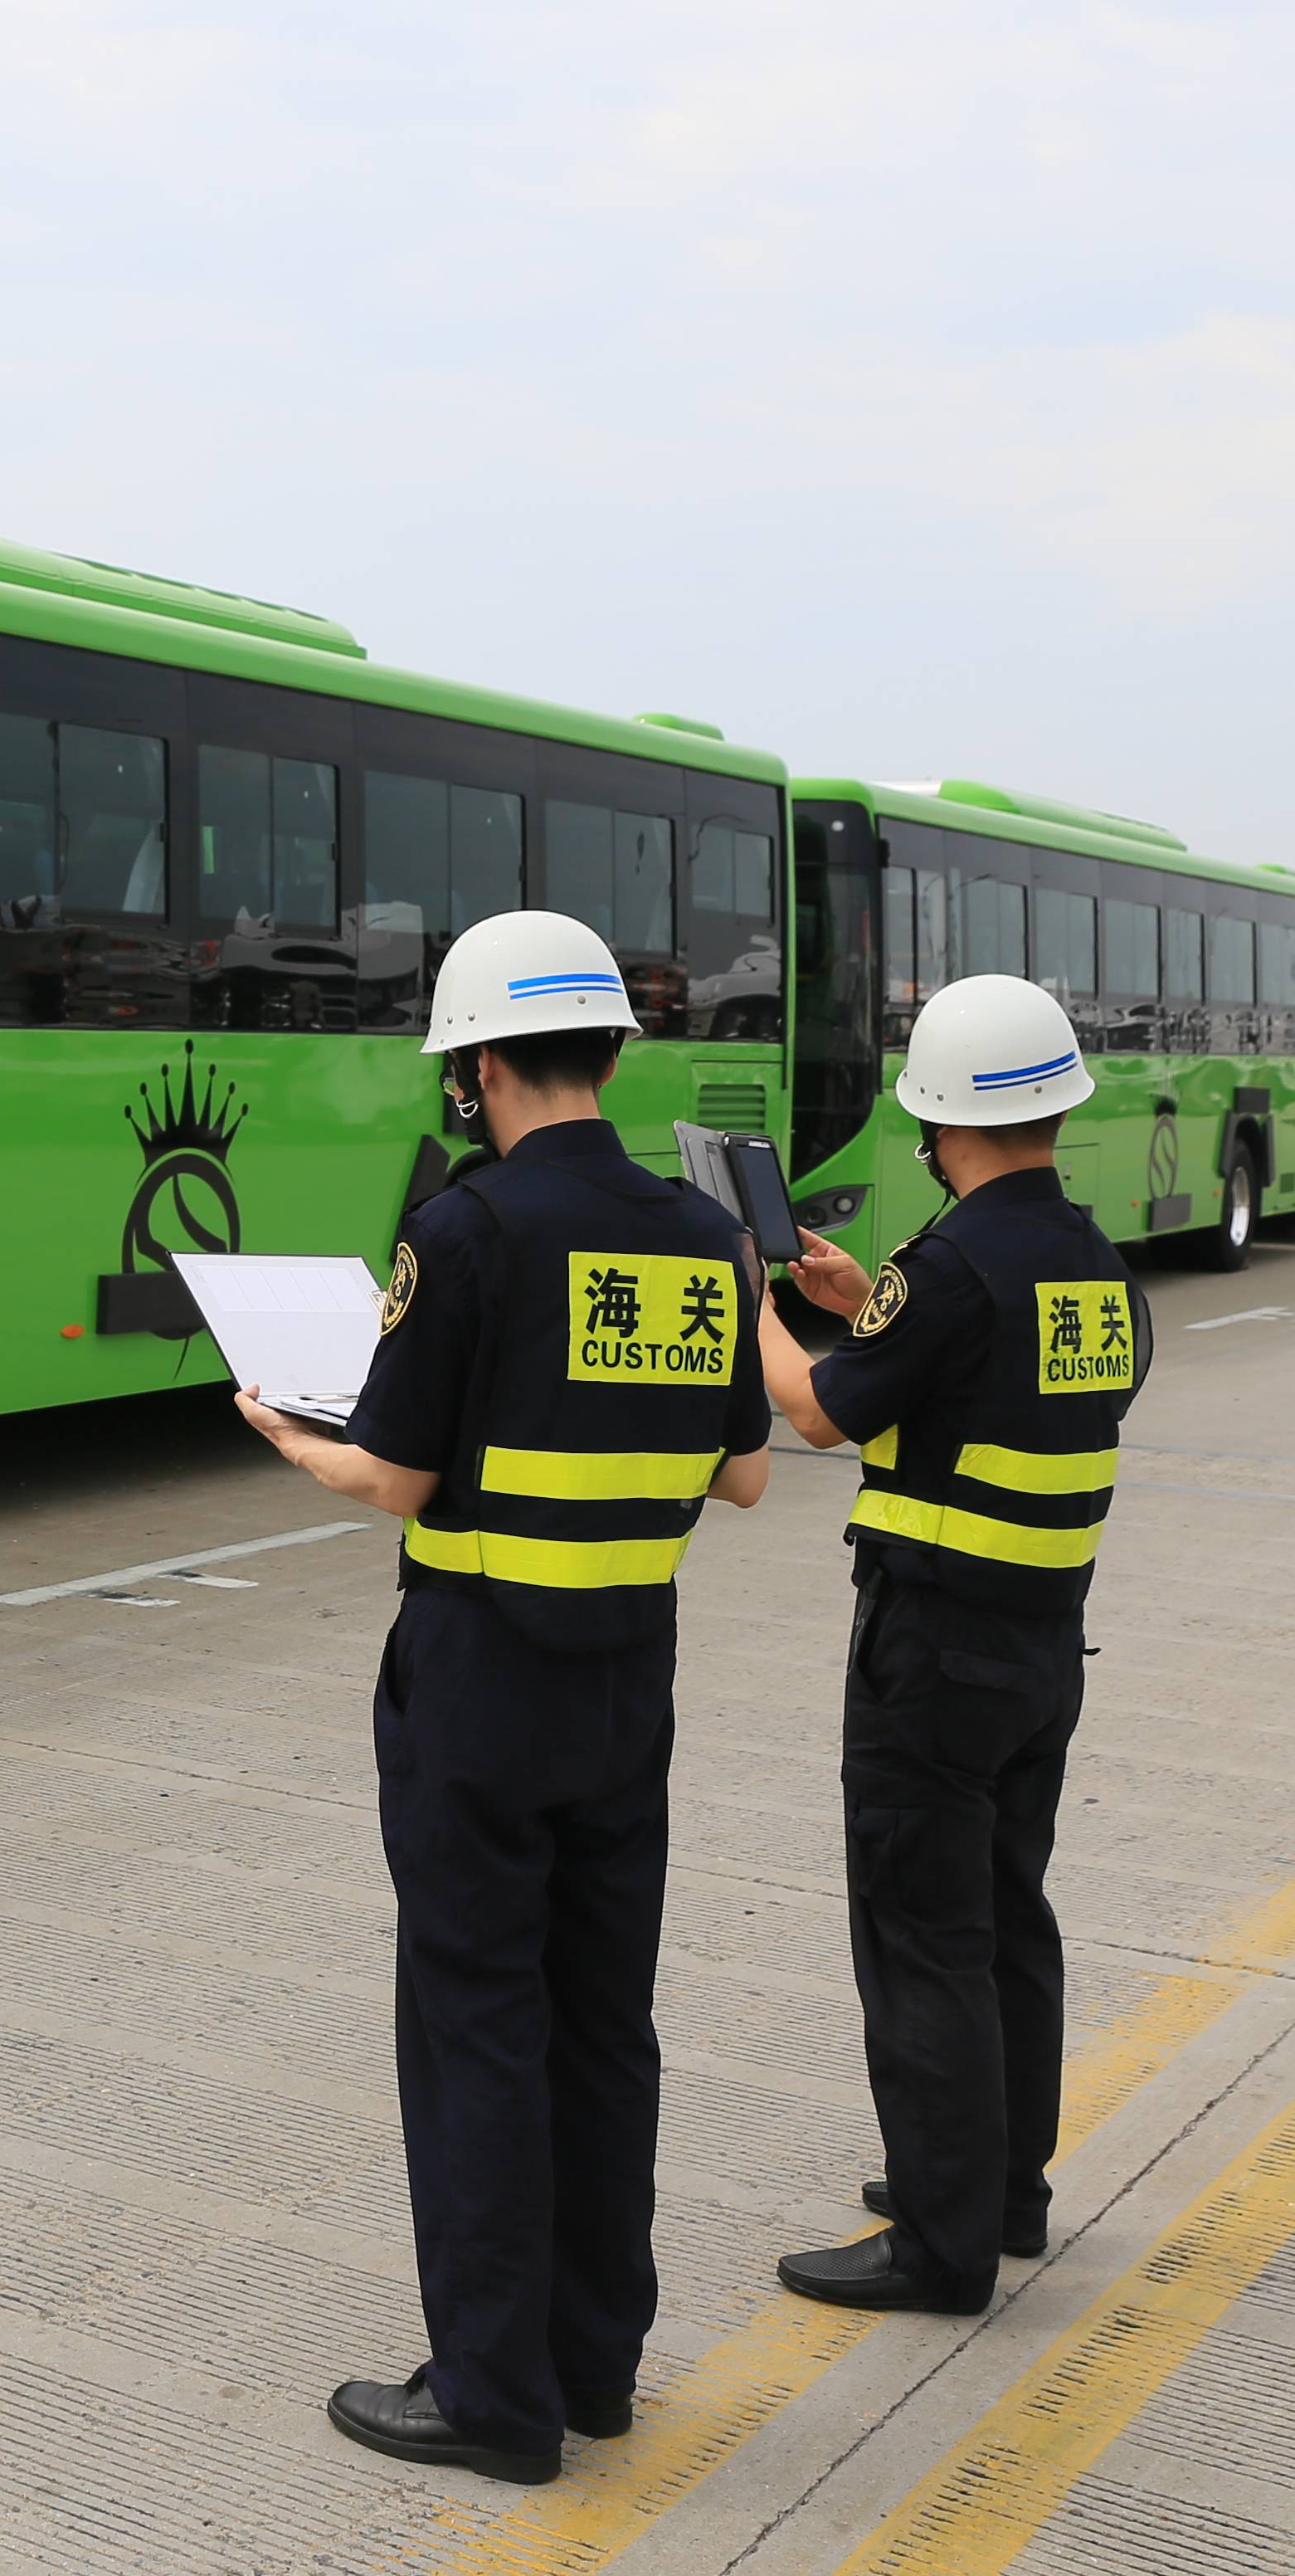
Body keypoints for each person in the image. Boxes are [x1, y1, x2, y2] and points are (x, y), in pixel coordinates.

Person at [238, 909, 774, 2486]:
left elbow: (399, 1472)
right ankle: (596, 2367)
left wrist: (290, 1433)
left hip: (480, 1682)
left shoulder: (462, 1235)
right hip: (629, 1675)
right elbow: (744, 1473)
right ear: (612, 1052)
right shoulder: (693, 1233)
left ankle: (490, 2394)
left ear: (474, 1071)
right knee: (606, 2022)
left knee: (478, 2021)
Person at [751, 972, 1143, 2315]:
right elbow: (969, 1385)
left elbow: (819, 1415)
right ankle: (1003, 2187)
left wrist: (747, 1307)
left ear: (939, 1125)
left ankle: (937, 2242)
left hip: (931, 1654)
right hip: (1044, 1649)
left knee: (921, 1934)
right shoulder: (1095, 1263)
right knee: (1009, 1917)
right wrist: (867, 1299)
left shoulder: (953, 1267)